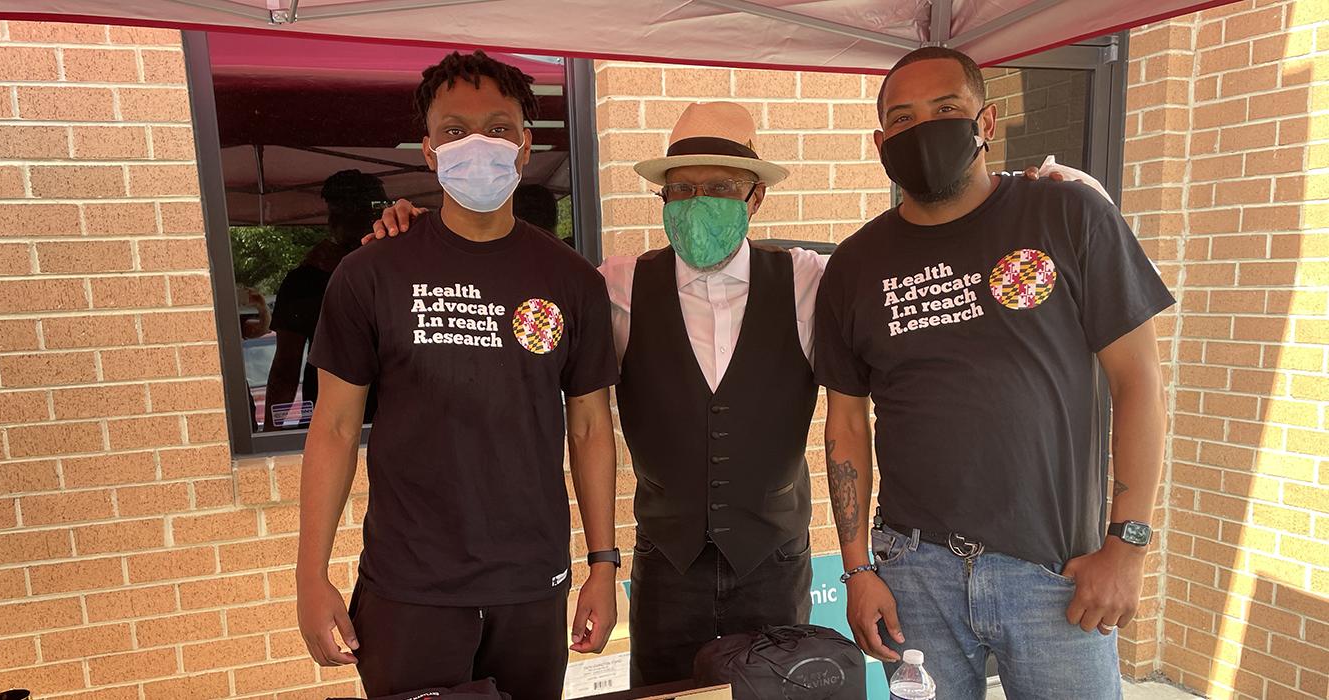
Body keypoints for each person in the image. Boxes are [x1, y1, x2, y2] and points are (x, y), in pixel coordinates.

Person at [370, 99, 1106, 688]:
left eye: (718, 188)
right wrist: (411, 229)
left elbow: (920, 264)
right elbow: (520, 304)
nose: (698, 202)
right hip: (667, 567)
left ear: (754, 195)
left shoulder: (815, 281)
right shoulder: (615, 287)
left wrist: (1024, 193)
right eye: (681, 189)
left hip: (774, 563)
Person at [814, 46, 1173, 700]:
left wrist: (1128, 546)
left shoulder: (1069, 216)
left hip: (1056, 576)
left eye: (946, 108)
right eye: (902, 118)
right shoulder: (855, 266)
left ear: (987, 120)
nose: (923, 128)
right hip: (911, 574)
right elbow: (844, 422)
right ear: (879, 141)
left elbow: (1140, 382)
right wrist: (858, 567)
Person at [295, 50, 620, 699]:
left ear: (525, 147)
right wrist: (310, 574)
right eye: (455, 129)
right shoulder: (371, 274)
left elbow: (589, 428)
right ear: (428, 149)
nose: (478, 144)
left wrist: (603, 566)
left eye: (498, 127)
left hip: (532, 588)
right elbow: (332, 427)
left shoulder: (572, 282)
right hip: (408, 592)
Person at [264, 170, 385, 431]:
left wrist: (270, 436)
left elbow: (286, 365)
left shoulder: (398, 268)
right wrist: (269, 436)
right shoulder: (305, 281)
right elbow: (286, 365)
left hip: (389, 420)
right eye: (339, 212)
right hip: (336, 420)